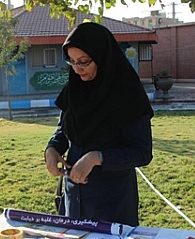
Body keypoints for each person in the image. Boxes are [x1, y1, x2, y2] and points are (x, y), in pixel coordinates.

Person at [44, 22, 153, 227]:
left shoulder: (128, 95)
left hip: (112, 204)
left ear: (102, 57)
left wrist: (97, 158)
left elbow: (141, 152)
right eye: (72, 62)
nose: (78, 69)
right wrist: (52, 148)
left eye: (84, 62)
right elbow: (64, 128)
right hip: (74, 199)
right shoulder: (74, 88)